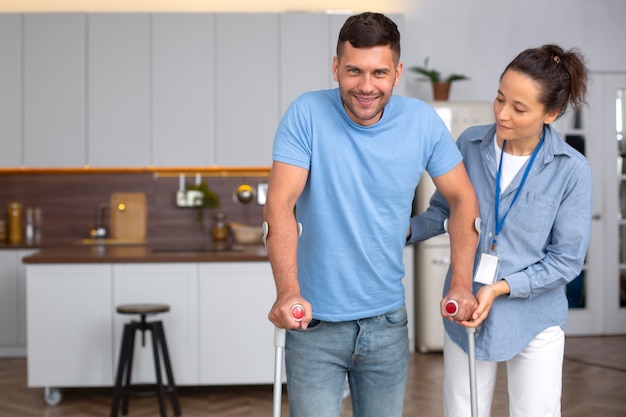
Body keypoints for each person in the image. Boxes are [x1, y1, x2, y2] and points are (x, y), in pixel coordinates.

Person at [262, 11, 480, 417]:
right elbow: (280, 204)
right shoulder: (306, 113)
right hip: (312, 324)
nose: (366, 86)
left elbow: (464, 200)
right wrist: (288, 291)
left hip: (387, 324)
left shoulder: (421, 122)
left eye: (379, 73)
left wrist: (462, 284)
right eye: (353, 71)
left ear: (397, 73)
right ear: (335, 68)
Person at [408, 44, 592, 417]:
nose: (502, 114)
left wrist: (500, 288)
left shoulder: (572, 170)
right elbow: (443, 213)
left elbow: (566, 261)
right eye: (499, 98)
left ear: (551, 114)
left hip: (534, 316)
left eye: (519, 108)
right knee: (463, 411)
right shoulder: (470, 145)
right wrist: (392, 232)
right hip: (466, 306)